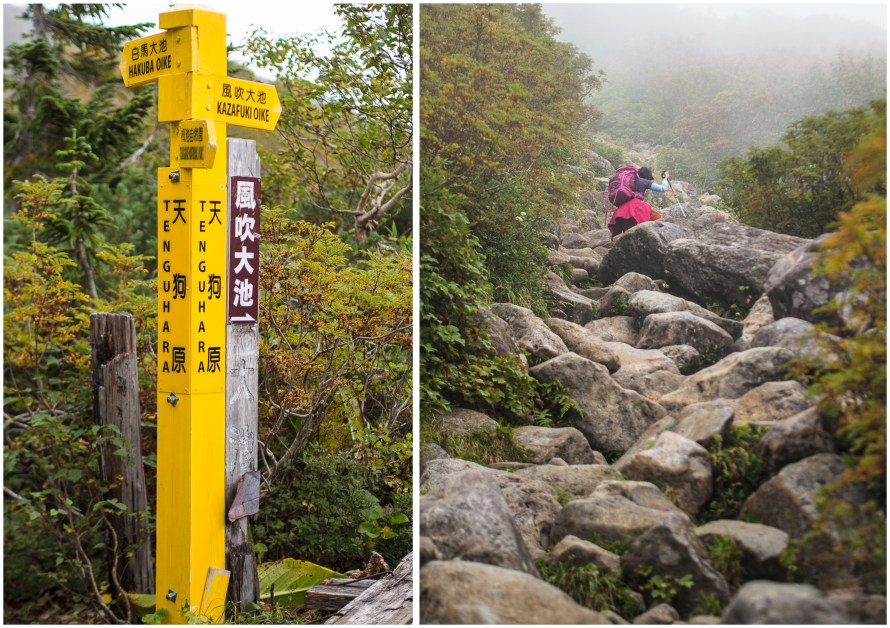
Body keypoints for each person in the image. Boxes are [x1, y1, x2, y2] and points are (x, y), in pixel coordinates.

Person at [608, 167, 669, 239]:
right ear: (647, 176)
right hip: (637, 207)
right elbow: (663, 188)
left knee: (628, 236)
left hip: (621, 211)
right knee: (660, 222)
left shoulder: (629, 181)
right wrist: (665, 178)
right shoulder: (644, 181)